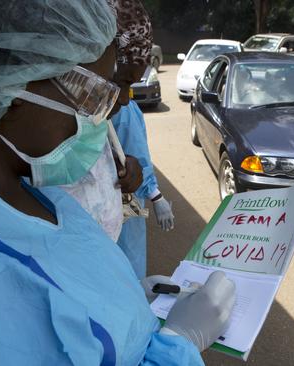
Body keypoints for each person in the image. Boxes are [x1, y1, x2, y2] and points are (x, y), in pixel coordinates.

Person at [0, 1, 235, 365]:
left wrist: (121, 301)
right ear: (13, 85)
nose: (107, 112)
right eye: (94, 95)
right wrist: (179, 344)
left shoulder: (9, 182)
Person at [110, 0, 175, 278]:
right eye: (123, 82)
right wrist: (157, 196)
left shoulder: (121, 108)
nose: (124, 97)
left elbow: (136, 159)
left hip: (125, 205)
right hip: (121, 208)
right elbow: (137, 156)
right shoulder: (121, 112)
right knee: (126, 265)